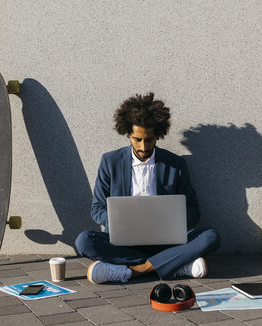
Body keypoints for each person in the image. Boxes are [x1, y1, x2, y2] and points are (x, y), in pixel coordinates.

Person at [75, 92, 220, 284]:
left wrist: (172, 218)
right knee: (84, 241)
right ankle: (175, 265)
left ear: (158, 135)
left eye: (149, 139)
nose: (144, 146)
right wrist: (120, 219)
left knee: (211, 236)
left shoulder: (175, 164)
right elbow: (97, 209)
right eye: (137, 139)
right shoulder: (110, 162)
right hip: (124, 244)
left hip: (165, 243)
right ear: (128, 134)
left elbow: (194, 212)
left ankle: (134, 270)